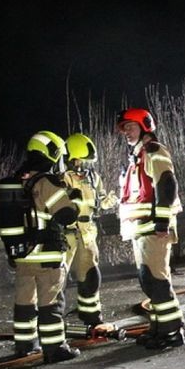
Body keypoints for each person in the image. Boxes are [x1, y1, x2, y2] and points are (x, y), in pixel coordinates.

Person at [0, 131, 82, 362]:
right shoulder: (46, 182)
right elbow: (66, 215)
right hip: (47, 256)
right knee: (50, 303)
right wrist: (73, 199)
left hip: (23, 256)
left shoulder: (19, 180)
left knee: (24, 304)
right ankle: (55, 349)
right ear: (51, 154)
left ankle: (25, 345)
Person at [116, 108, 185, 348]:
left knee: (157, 281)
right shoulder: (137, 157)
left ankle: (172, 332)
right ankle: (158, 328)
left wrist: (162, 222)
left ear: (145, 126)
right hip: (141, 228)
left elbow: (167, 183)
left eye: (131, 127)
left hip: (154, 229)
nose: (126, 132)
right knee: (149, 281)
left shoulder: (153, 151)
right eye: (124, 128)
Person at [62, 133, 118, 337]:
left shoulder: (94, 178)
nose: (85, 166)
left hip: (88, 235)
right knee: (58, 279)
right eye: (82, 161)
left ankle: (91, 316)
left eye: (88, 162)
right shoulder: (62, 178)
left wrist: (111, 200)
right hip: (68, 235)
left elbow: (100, 202)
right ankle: (53, 320)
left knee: (91, 277)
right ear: (73, 159)